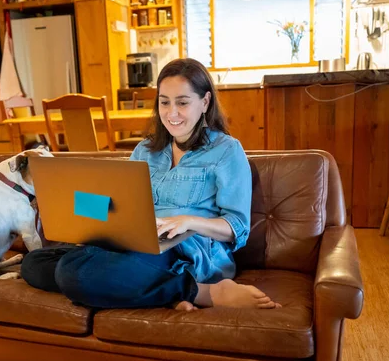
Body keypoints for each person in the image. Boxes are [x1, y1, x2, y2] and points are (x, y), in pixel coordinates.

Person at [21, 58, 280, 311]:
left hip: (186, 251)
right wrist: (77, 206)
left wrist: (188, 221)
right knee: (34, 263)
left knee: (72, 273)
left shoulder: (226, 150)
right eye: (164, 102)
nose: (172, 113)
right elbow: (120, 205)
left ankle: (206, 292)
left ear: (205, 102)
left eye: (182, 102)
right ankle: (165, 292)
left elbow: (237, 227)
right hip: (135, 242)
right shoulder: (146, 150)